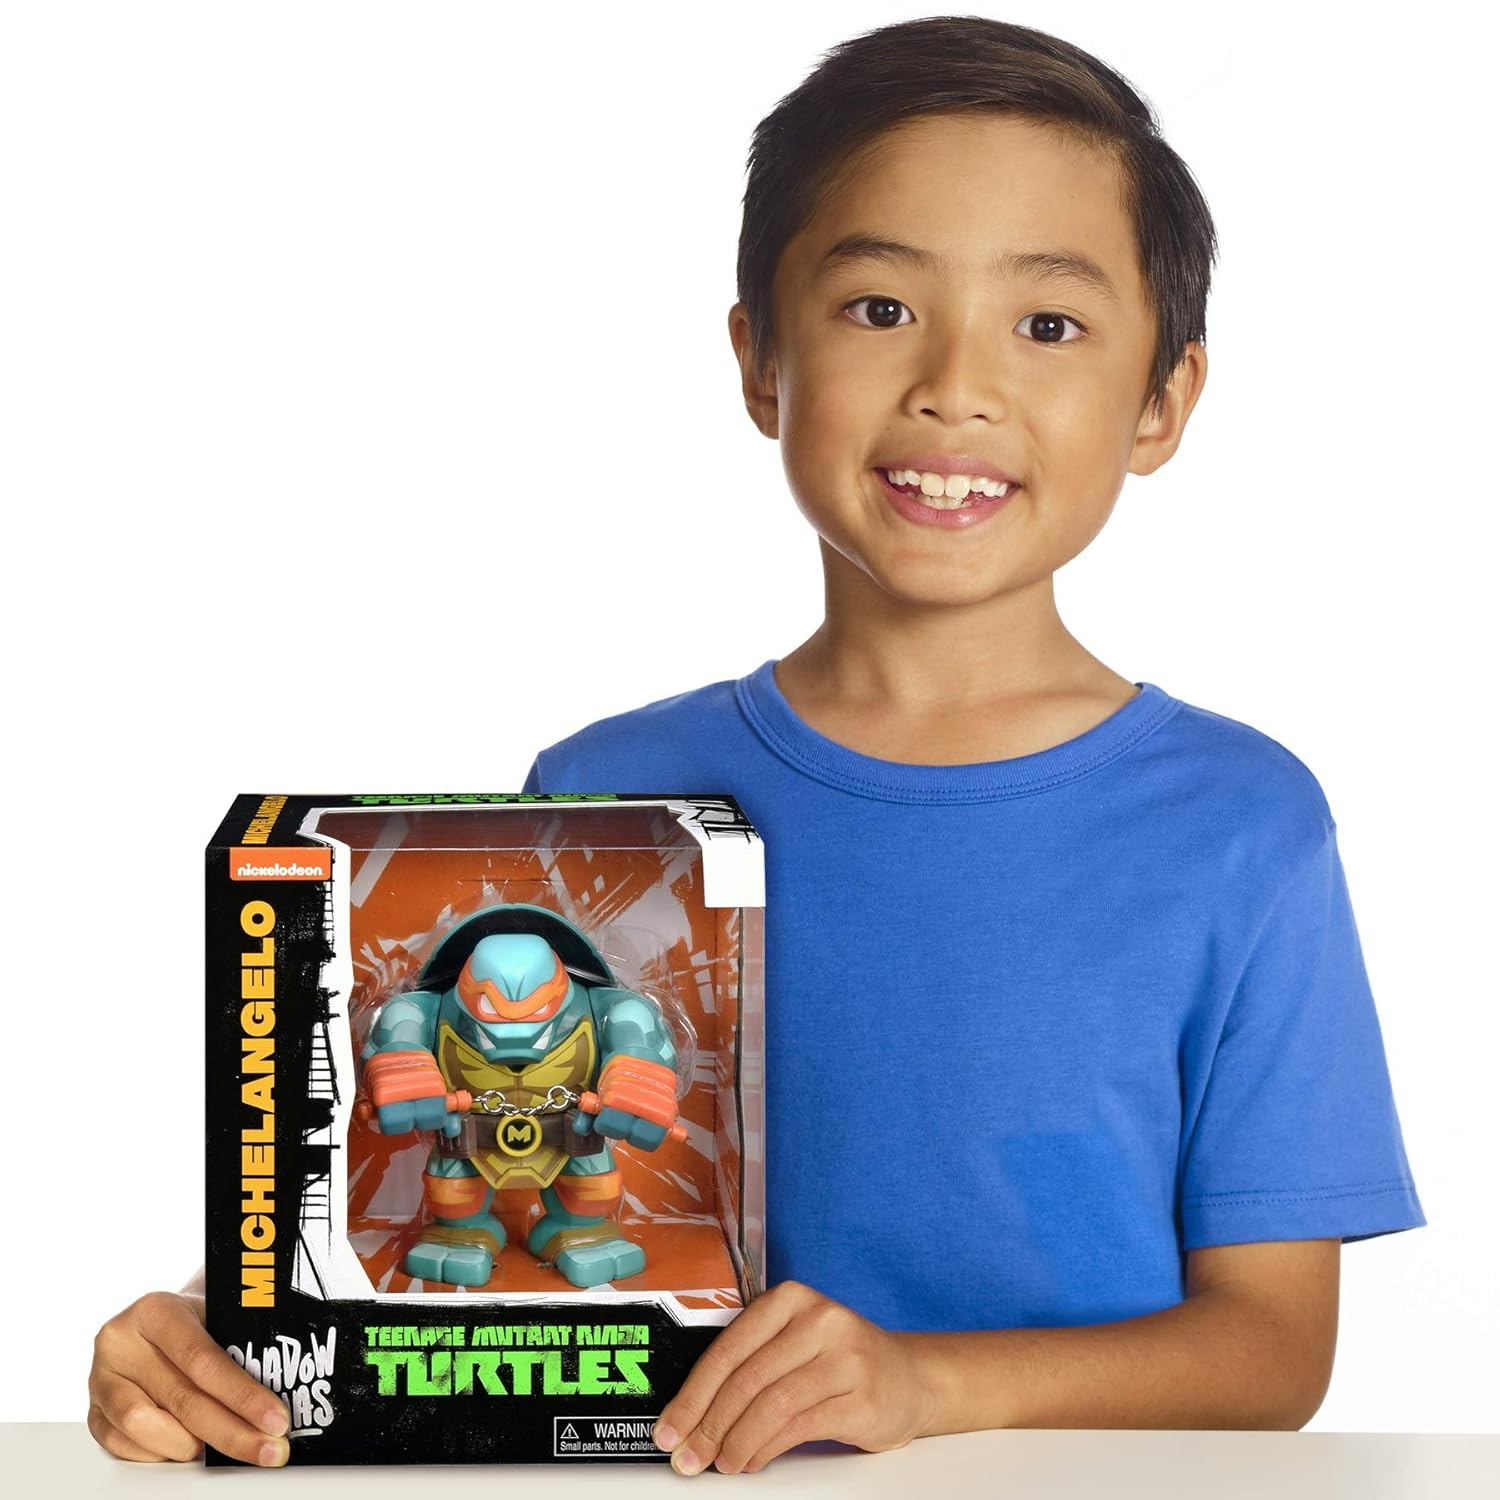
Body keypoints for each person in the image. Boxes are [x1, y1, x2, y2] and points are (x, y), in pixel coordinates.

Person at [88, 15, 1424, 1474]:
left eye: (1048, 325)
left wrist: (922, 1385)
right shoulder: (601, 798)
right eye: (878, 307)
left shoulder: (1240, 822)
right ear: (760, 361)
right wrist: (218, 1331)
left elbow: (1271, 1354)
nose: (955, 384)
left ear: (1163, 401)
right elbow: (438, 1194)